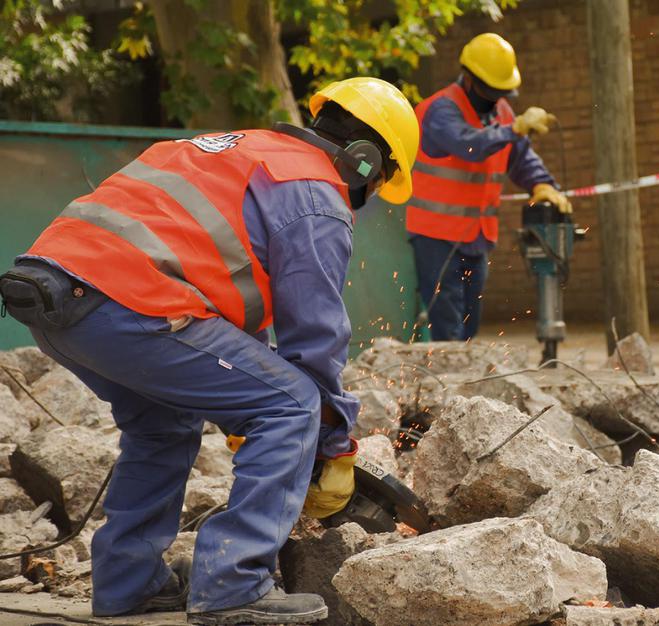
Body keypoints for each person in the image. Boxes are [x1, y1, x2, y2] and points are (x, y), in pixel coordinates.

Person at [0, 77, 419, 625]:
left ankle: (128, 583)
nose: (365, 202)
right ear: (365, 161)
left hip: (56, 298)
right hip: (129, 303)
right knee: (292, 404)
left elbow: (227, 320)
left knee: (163, 424)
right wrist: (332, 444)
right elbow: (313, 342)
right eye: (378, 183)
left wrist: (247, 401)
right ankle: (233, 586)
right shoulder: (316, 192)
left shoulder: (234, 149)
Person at [406, 32, 571, 341]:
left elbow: (520, 157)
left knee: (468, 324)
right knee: (448, 326)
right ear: (468, 78)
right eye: (491, 90)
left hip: (476, 235)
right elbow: (470, 145)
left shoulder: (503, 114)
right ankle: (450, 386)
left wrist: (543, 185)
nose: (496, 97)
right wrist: (516, 128)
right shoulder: (440, 110)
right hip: (436, 238)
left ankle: (464, 384)